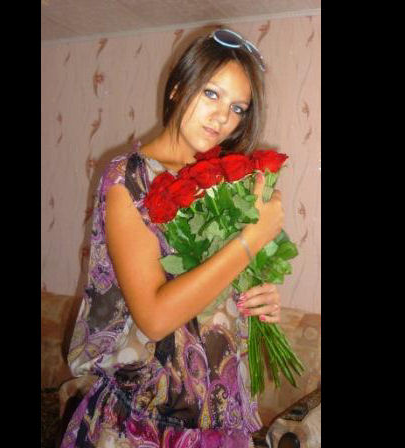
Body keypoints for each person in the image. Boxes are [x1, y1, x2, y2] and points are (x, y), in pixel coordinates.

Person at [60, 27, 284, 448]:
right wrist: (250, 241)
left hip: (219, 417)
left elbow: (216, 285)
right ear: (179, 85)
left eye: (237, 108)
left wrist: (255, 297)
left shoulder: (225, 182)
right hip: (146, 423)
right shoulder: (129, 178)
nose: (223, 118)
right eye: (212, 94)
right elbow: (155, 317)